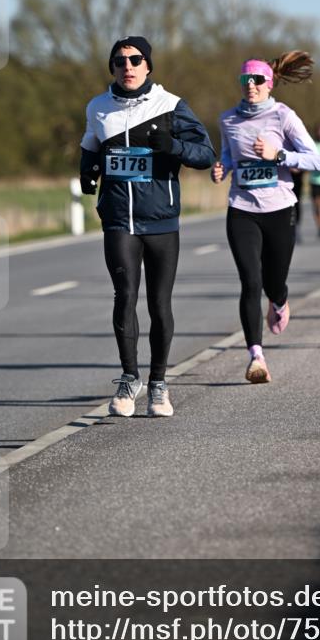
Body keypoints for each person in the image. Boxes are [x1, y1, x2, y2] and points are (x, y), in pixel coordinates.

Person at [80, 35, 214, 417]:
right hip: (119, 218)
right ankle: (128, 379)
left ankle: (158, 384)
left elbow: (206, 154)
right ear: (113, 67)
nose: (128, 66)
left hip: (160, 220)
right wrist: (87, 171)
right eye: (120, 61)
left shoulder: (170, 105)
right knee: (124, 296)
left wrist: (173, 146)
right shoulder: (98, 107)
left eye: (136, 60)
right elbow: (91, 143)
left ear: (148, 65)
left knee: (159, 304)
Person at [211, 52, 320, 383]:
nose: (251, 85)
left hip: (279, 210)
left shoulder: (283, 116)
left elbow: (315, 160)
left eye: (258, 80)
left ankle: (281, 300)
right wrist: (222, 168)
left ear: (269, 84)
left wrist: (279, 155)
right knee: (250, 281)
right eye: (246, 80)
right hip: (242, 209)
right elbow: (229, 156)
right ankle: (255, 356)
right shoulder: (228, 120)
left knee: (274, 282)